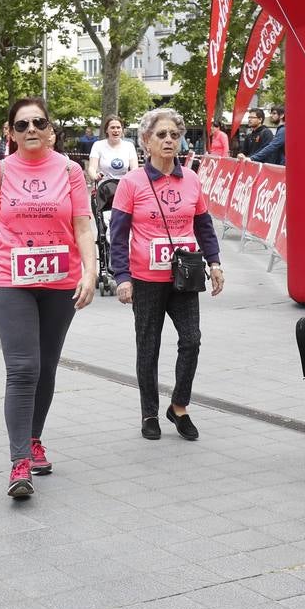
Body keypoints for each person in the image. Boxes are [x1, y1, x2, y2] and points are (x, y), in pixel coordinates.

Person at [0, 98, 98, 499]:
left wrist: (90, 271)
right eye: (22, 125)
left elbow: (83, 226)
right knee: (23, 368)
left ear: (50, 129)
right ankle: (19, 462)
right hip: (11, 280)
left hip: (59, 280)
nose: (31, 129)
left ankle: (34, 439)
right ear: (10, 132)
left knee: (47, 368)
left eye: (39, 122)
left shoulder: (70, 171)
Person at [109, 109, 225, 441]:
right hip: (146, 279)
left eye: (174, 134)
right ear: (146, 141)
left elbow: (203, 225)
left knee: (192, 340)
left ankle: (178, 407)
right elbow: (118, 236)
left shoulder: (191, 179)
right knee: (149, 346)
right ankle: (149, 412)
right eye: (161, 135)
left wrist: (215, 264)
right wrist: (122, 277)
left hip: (184, 276)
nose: (169, 140)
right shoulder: (131, 183)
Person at [87, 116, 139, 183]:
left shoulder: (129, 146)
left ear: (122, 130)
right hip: (104, 187)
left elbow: (134, 169)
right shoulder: (98, 145)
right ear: (106, 130)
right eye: (112, 127)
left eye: (118, 127)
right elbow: (92, 168)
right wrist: (95, 176)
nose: (116, 130)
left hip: (123, 186)